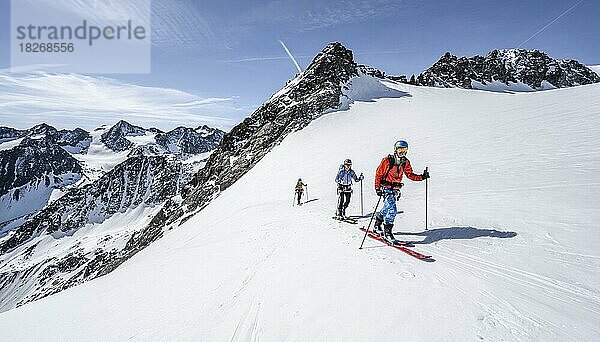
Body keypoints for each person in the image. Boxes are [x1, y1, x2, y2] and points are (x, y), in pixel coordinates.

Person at [373, 140, 429, 244]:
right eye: (400, 149)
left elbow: (410, 175)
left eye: (404, 149)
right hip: (385, 187)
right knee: (393, 209)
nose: (402, 152)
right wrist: (377, 188)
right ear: (395, 149)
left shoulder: (405, 162)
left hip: (396, 189)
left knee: (387, 207)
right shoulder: (387, 160)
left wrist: (422, 177)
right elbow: (378, 174)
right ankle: (387, 232)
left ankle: (377, 224)